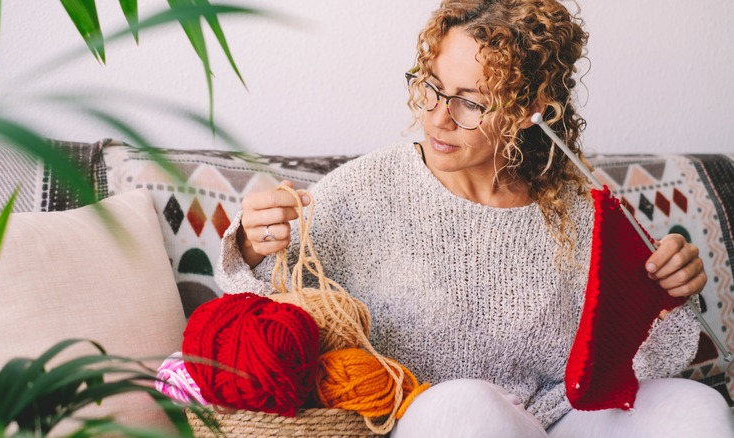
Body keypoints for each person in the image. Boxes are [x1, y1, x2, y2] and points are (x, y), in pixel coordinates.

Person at [216, 0, 734, 436]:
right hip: (433, 419)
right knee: (467, 406)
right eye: (434, 87)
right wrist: (255, 246)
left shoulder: (579, 208)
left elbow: (634, 364)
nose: (439, 117)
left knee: (697, 406)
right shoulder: (369, 187)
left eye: (471, 102)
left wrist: (663, 296)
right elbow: (263, 318)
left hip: (556, 422)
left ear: (532, 109)